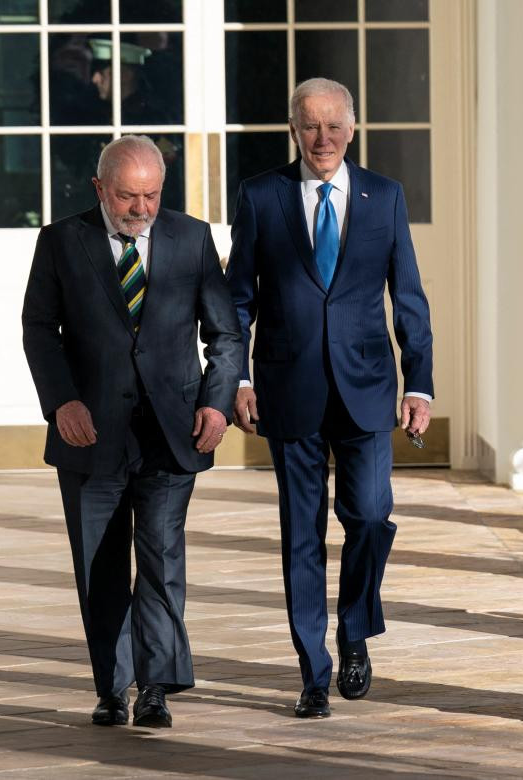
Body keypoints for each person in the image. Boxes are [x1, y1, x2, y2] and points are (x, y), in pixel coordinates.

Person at [225, 78, 434, 718]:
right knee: (302, 538)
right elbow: (237, 299)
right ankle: (313, 673)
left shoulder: (384, 197)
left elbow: (409, 297)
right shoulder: (262, 196)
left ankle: (353, 630)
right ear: (294, 129)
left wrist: (419, 382)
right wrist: (236, 378)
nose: (323, 139)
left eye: (333, 126)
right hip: (289, 390)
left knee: (370, 516)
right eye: (310, 126)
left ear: (352, 128)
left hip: (367, 390)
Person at [22, 135, 242, 728]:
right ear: (99, 189)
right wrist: (61, 401)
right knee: (100, 565)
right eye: (126, 197)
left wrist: (218, 404)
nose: (141, 209)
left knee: (162, 557)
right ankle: (111, 687)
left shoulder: (192, 238)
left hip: (172, 430)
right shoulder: (62, 242)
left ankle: (156, 688)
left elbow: (225, 334)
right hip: (89, 434)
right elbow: (39, 328)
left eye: (151, 195)